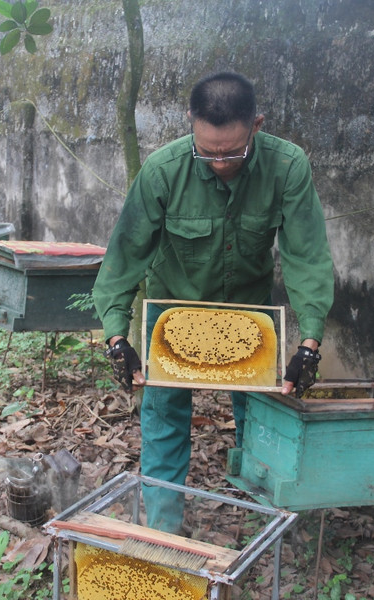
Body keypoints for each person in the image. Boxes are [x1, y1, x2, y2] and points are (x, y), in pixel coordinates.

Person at [92, 72, 334, 533]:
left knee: (261, 418)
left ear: (257, 125)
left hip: (250, 311)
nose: (220, 162)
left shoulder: (288, 166)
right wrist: (116, 336)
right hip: (172, 308)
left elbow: (307, 256)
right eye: (208, 151)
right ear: (191, 124)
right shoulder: (163, 171)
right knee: (163, 417)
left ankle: (263, 526)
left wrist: (309, 341)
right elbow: (124, 258)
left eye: (234, 152)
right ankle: (163, 529)